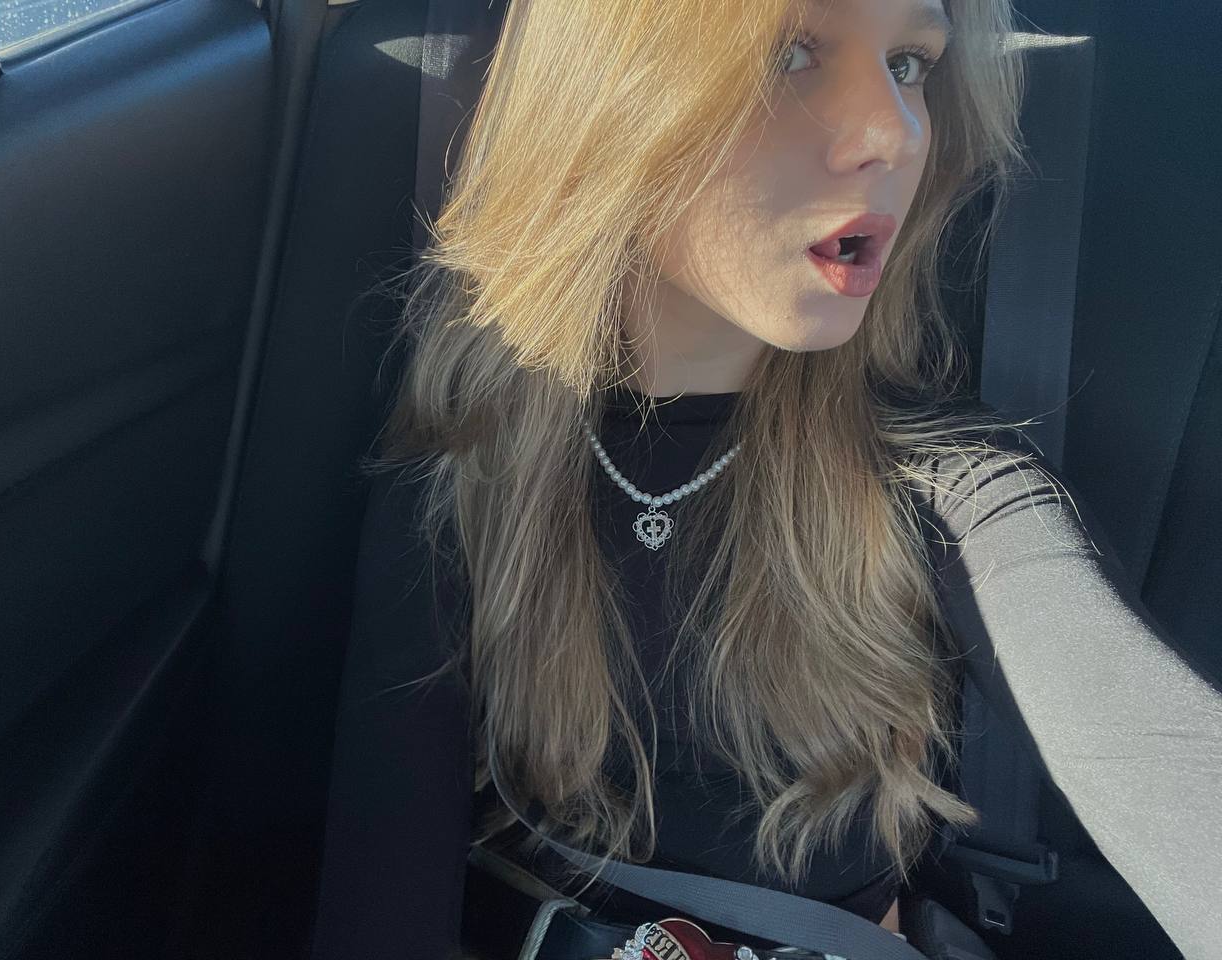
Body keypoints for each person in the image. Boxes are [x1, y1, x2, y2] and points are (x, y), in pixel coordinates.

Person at [312, 0, 1222, 957]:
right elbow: (380, 905)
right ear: (606, 98)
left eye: (910, 65)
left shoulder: (948, 483)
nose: (894, 133)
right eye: (790, 54)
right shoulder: (463, 478)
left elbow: (1158, 756)